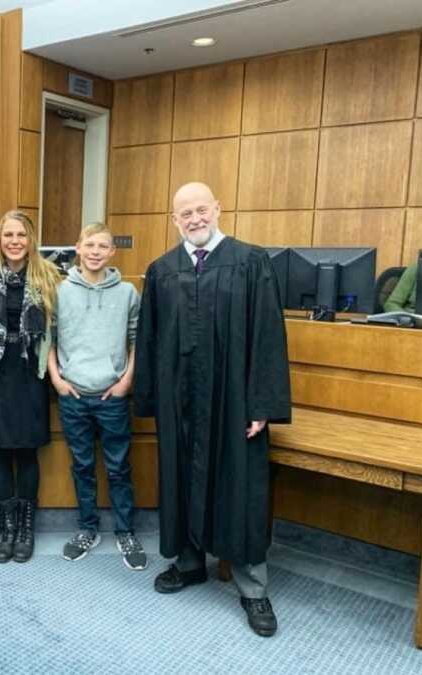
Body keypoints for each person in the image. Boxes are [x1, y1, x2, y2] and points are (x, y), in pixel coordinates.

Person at [135, 181, 291, 637]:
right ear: (174, 219)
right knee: (181, 478)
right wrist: (153, 400)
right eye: (185, 213)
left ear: (218, 209)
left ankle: (253, 589)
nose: (195, 219)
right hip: (179, 401)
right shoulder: (161, 270)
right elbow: (148, 338)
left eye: (201, 210)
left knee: (240, 487)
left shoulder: (251, 262)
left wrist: (261, 403)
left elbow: (267, 337)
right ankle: (188, 564)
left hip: (234, 403)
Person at [48, 222, 148, 571]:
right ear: (77, 247)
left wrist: (126, 382)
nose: (95, 251)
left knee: (119, 467)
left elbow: (137, 341)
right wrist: (57, 380)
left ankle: (125, 531)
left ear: (112, 252)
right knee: (83, 466)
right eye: (89, 244)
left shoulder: (128, 293)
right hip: (73, 393)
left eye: (102, 246)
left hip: (113, 396)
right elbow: (50, 338)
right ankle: (87, 529)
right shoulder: (60, 291)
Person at [0, 210, 61, 563]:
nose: (14, 241)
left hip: (30, 368)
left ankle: (25, 529)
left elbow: (60, 328)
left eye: (21, 235)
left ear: (31, 240)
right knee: (0, 449)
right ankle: (5, 529)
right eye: (8, 235)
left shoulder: (50, 275)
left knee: (26, 450)